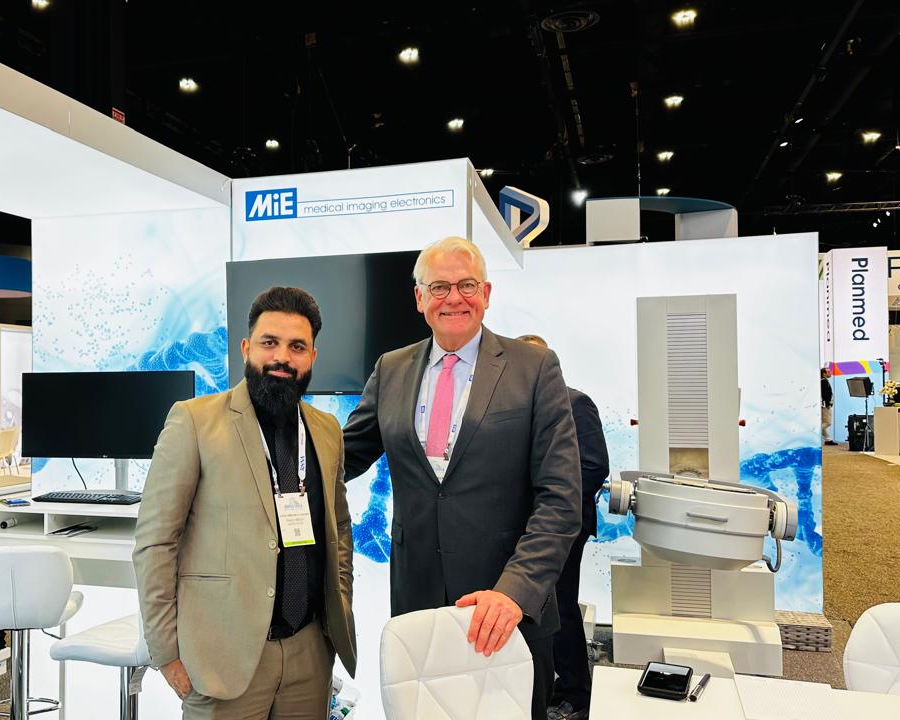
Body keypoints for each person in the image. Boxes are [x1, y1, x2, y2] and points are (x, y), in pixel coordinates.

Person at [342, 236, 581, 720]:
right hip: (419, 608)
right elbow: (342, 455)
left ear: (486, 293)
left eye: (467, 285)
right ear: (419, 298)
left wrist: (514, 591)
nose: (454, 298)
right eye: (439, 287)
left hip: (506, 609)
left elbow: (561, 499)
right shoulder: (391, 368)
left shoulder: (534, 368)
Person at [133, 287, 357, 720]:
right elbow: (155, 542)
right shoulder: (195, 421)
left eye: (297, 347)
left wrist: (337, 608)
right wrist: (166, 652)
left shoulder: (327, 430)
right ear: (245, 348)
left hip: (310, 653)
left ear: (313, 356)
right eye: (269, 342)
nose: (282, 357)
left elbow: (340, 529)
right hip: (223, 659)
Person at [519, 335, 609, 720]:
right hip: (527, 526)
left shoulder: (576, 403)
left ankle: (575, 693)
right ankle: (549, 685)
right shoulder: (516, 407)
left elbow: (594, 466)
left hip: (564, 526)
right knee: (536, 606)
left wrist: (550, 499)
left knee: (560, 605)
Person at [821, 368, 837, 446]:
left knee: (823, 423)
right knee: (827, 423)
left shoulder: (823, 381)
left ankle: (828, 439)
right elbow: (825, 394)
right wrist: (828, 404)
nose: (830, 373)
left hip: (824, 405)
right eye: (828, 372)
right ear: (824, 374)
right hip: (825, 405)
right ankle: (813, 432)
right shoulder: (824, 381)